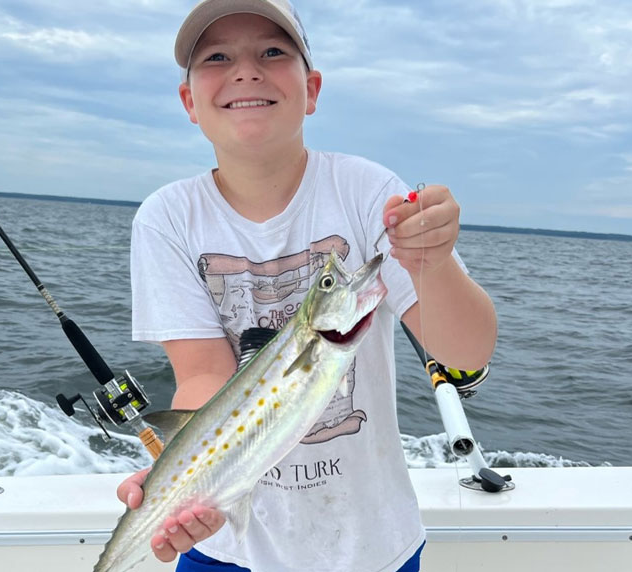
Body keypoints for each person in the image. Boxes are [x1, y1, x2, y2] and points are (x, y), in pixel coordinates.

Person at [119, 1, 498, 570]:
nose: (247, 71)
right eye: (217, 57)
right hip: (226, 547)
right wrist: (183, 478)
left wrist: (434, 261)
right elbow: (202, 374)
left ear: (312, 89)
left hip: (371, 544)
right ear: (189, 102)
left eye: (273, 52)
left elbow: (466, 352)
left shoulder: (368, 191)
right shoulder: (167, 216)